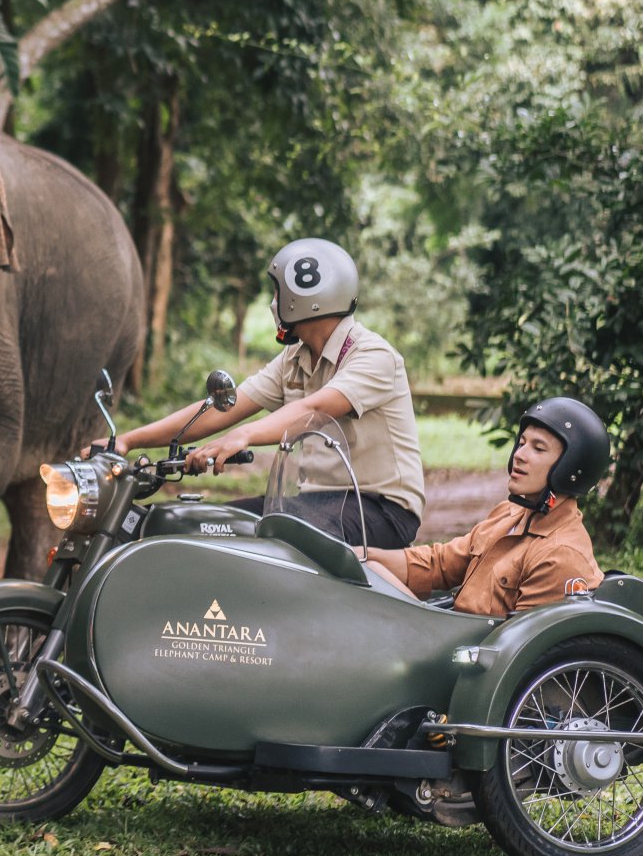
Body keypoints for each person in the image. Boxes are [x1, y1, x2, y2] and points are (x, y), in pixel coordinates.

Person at [109, 237, 425, 549]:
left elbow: (315, 410)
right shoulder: (295, 358)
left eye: (277, 291)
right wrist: (128, 441)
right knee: (201, 524)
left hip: (381, 509)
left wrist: (243, 436)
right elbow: (225, 407)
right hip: (313, 504)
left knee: (275, 538)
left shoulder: (373, 355)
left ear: (303, 295)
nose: (274, 302)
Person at [363, 397, 607, 616]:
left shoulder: (559, 555)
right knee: (368, 570)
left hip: (468, 654)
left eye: (538, 448)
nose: (520, 455)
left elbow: (521, 647)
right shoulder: (509, 514)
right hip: (450, 632)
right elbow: (441, 563)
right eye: (521, 443)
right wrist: (362, 554)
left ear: (572, 467)